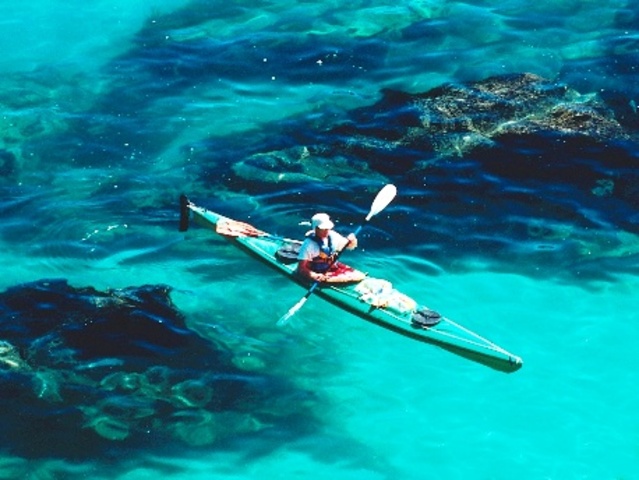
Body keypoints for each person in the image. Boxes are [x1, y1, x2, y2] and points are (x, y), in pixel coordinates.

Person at [296, 213, 364, 283]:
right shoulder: (308, 244)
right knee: (350, 278)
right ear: (316, 229)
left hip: (331, 267)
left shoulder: (332, 235)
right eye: (323, 229)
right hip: (316, 270)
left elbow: (350, 246)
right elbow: (301, 268)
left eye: (327, 228)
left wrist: (352, 241)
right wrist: (314, 276)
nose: (326, 231)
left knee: (360, 276)